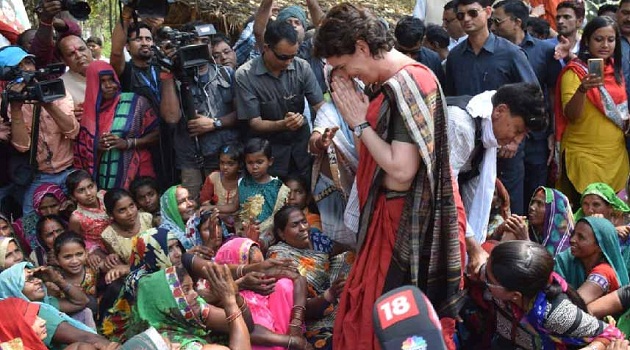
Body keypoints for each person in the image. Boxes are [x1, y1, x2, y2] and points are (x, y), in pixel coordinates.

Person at [313, 4, 464, 348]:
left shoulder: (409, 83)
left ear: (362, 47)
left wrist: (359, 123)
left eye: (343, 65)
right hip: (387, 217)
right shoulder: (387, 85)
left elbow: (401, 170)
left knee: (387, 325)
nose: (346, 75)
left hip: (403, 223)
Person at [445, 0, 540, 217]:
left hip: (506, 147)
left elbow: (533, 101)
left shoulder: (511, 53)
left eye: (472, 13)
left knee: (508, 209)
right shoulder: (455, 56)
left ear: (488, 12)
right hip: (469, 146)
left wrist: (516, 140)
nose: (466, 19)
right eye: (460, 16)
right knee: (466, 207)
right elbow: (449, 99)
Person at [446, 83, 546, 249]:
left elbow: (473, 200)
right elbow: (446, 191)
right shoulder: (460, 125)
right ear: (500, 111)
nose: (517, 140)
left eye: (523, 135)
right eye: (518, 130)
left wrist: (474, 247)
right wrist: (473, 248)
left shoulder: (486, 135)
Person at [482, 240, 624, 349]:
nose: (483, 277)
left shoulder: (557, 314)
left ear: (515, 295)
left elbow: (612, 334)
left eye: (489, 280)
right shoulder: (508, 283)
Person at [235, 20, 324, 179]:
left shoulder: (302, 67)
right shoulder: (245, 75)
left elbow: (320, 107)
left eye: (293, 56)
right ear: (267, 48)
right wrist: (283, 124)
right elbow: (254, 122)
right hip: (268, 158)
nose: (289, 62)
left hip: (302, 151)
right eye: (283, 57)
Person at [556, 16, 630, 205]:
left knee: (614, 216)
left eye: (611, 40)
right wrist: (583, 89)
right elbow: (572, 115)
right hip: (584, 156)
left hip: (615, 156)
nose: (605, 45)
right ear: (587, 41)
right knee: (588, 215)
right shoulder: (575, 72)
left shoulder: (616, 72)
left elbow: (621, 113)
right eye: (599, 39)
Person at [1, 45, 78, 216]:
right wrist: (15, 108)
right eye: (18, 67)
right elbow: (22, 146)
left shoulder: (56, 90)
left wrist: (47, 102)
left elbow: (72, 131)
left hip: (70, 169)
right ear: (7, 75)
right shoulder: (9, 103)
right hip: (41, 176)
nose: (26, 70)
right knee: (30, 219)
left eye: (28, 62)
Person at [267, 205, 353, 349]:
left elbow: (341, 251)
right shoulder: (279, 257)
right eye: (295, 225)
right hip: (307, 323)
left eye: (304, 222)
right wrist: (330, 294)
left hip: (332, 305)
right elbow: (295, 304)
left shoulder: (316, 241)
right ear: (282, 234)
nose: (303, 228)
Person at [74, 61, 159, 190]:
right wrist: (96, 146)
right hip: (105, 178)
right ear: (93, 84)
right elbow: (81, 150)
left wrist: (128, 143)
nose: (109, 85)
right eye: (102, 81)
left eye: (111, 80)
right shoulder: (86, 113)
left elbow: (157, 133)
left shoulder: (135, 102)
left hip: (139, 173)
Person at [215, 237, 310, 349]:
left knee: (284, 285)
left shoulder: (265, 278)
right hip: (260, 344)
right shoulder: (225, 297)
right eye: (255, 265)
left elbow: (299, 278)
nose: (261, 269)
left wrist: (296, 323)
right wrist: (291, 341)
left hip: (286, 337)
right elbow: (249, 331)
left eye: (262, 262)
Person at [131, 265, 252, 350]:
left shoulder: (186, 312)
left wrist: (235, 296)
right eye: (186, 290)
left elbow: (247, 325)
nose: (195, 294)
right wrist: (230, 302)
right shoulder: (170, 344)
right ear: (164, 304)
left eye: (192, 288)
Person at [100, 227, 185, 342]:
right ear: (152, 253)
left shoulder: (171, 271)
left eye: (177, 245)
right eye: (169, 249)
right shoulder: (144, 283)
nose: (178, 253)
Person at [308, 66, 359, 247]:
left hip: (363, 184)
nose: (344, 85)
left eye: (349, 78)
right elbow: (316, 136)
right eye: (337, 80)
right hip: (335, 188)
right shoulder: (328, 111)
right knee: (338, 244)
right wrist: (321, 142)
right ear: (330, 85)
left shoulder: (369, 104)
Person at [0, 262, 103, 348]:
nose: (39, 281)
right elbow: (85, 338)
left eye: (36, 277)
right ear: (13, 288)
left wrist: (57, 280)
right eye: (29, 280)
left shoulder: (46, 303)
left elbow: (82, 301)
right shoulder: (33, 312)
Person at [555, 217, 629, 305]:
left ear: (599, 246)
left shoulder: (604, 273)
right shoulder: (571, 261)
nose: (572, 240)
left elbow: (573, 306)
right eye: (573, 234)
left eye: (581, 237)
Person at [238, 138, 290, 250]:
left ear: (270, 161)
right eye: (250, 163)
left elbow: (280, 218)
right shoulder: (243, 183)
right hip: (245, 232)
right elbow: (234, 206)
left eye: (259, 162)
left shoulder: (278, 187)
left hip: (269, 235)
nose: (254, 167)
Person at [493, 186, 575, 258]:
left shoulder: (564, 250)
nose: (532, 207)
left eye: (539, 204)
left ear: (553, 211)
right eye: (532, 202)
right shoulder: (528, 230)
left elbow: (546, 272)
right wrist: (500, 230)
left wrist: (525, 239)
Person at [13, 183, 72, 257]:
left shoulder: (71, 218)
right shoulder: (22, 226)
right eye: (43, 208)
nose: (49, 212)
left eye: (54, 206)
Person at [66, 170, 111, 265]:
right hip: (98, 249)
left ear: (95, 185)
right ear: (73, 196)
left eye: (90, 187)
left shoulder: (105, 196)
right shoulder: (77, 217)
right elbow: (76, 240)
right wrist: (90, 253)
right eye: (81, 190)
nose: (88, 193)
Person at [101, 188, 153, 265]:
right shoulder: (108, 236)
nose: (130, 213)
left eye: (131, 206)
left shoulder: (147, 219)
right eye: (122, 210)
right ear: (110, 214)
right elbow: (120, 265)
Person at [53, 232, 99, 316]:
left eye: (79, 254)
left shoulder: (93, 268)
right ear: (57, 259)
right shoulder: (56, 279)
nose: (75, 261)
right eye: (67, 257)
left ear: (86, 253)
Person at [199, 144, 242, 232]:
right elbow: (204, 201)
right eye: (222, 163)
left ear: (240, 165)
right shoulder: (213, 177)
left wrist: (212, 208)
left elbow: (234, 207)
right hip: (217, 218)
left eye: (230, 164)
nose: (225, 167)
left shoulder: (242, 181)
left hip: (239, 221)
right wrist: (219, 215)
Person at [394, 16, 446, 86]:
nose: (408, 57)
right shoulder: (384, 59)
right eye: (402, 52)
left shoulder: (433, 60)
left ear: (423, 40)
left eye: (414, 53)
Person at [57, 35, 94, 114]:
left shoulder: (108, 71)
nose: (79, 55)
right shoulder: (61, 86)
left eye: (82, 49)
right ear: (63, 60)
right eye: (71, 54)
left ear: (89, 50)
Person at [159, 185, 202, 250]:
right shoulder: (165, 234)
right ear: (171, 209)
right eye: (182, 202)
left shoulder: (199, 222)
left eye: (190, 198)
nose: (190, 204)